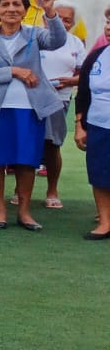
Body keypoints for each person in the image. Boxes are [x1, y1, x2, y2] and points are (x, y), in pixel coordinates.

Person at [0, 0, 67, 231]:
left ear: (25, 9)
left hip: (29, 109)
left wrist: (50, 10)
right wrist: (13, 71)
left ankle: (24, 212)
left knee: (27, 161)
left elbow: (57, 40)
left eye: (17, 4)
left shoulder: (34, 35)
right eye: (5, 5)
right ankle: (0, 210)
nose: (11, 9)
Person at [39, 0, 85, 210]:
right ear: (46, 17)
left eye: (68, 20)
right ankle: (20, 191)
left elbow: (83, 73)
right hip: (30, 98)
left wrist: (71, 81)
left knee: (52, 144)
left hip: (59, 99)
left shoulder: (76, 43)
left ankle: (52, 191)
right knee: (28, 143)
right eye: (59, 18)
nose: (63, 23)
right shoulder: (34, 37)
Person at [74, 41, 110, 239]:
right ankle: (105, 223)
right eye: (108, 25)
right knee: (99, 174)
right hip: (98, 124)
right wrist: (80, 125)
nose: (109, 27)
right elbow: (83, 92)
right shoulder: (97, 55)